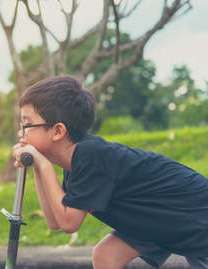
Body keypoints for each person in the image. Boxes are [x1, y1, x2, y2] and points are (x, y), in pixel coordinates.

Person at [11, 75, 208, 269]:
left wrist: (44, 167)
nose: (21, 133)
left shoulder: (91, 156)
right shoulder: (75, 162)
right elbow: (55, 221)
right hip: (154, 220)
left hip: (192, 212)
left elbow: (69, 223)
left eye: (27, 125)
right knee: (106, 256)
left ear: (57, 131)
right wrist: (37, 167)